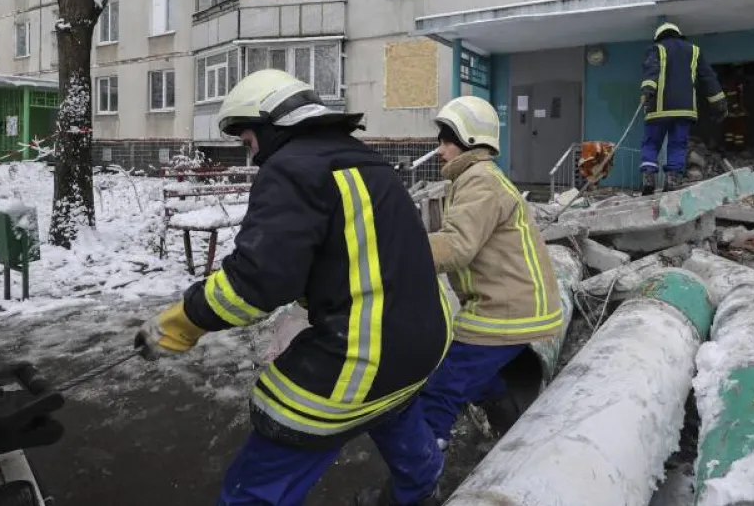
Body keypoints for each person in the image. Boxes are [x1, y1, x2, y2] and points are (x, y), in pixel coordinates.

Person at [135, 70, 453, 506]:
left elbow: (255, 284)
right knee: (391, 403)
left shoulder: (290, 169)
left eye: (248, 143)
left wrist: (182, 322)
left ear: (269, 126)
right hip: (426, 337)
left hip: (367, 352)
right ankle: (422, 487)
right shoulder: (364, 160)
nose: (252, 159)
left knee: (284, 417)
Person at [417, 96, 563, 448]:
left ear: (468, 140)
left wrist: (396, 254)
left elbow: (456, 245)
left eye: (446, 140)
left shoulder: (479, 181)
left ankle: (415, 485)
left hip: (503, 312)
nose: (440, 150)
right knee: (480, 379)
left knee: (439, 393)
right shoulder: (476, 178)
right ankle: (509, 437)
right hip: (512, 305)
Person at [639, 22, 728, 195]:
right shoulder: (694, 51)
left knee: (651, 142)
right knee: (677, 145)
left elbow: (651, 70)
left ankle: (648, 177)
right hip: (685, 111)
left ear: (659, 36)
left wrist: (647, 90)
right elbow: (708, 78)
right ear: (679, 35)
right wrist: (719, 102)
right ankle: (672, 179)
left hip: (658, 109)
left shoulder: (656, 49)